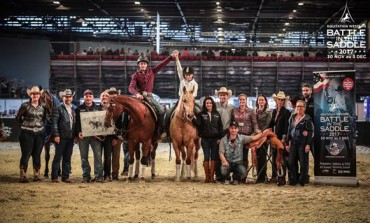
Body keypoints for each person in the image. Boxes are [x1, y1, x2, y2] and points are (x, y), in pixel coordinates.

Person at [128, 51, 177, 137]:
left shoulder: (152, 71)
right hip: (139, 96)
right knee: (127, 111)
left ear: (147, 65)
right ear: (138, 65)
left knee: (161, 111)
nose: (143, 65)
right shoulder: (135, 75)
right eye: (141, 64)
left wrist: (171, 57)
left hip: (149, 97)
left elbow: (162, 64)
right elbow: (130, 88)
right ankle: (125, 131)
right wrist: (137, 94)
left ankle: (161, 129)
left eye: (144, 63)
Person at [16, 86, 48, 183]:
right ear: (30, 95)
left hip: (40, 133)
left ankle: (36, 175)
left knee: (37, 154)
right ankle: (23, 176)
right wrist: (25, 126)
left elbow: (45, 118)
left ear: (39, 95)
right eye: (33, 94)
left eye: (37, 94)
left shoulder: (43, 106)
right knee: (26, 154)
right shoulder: (25, 105)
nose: (35, 95)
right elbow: (18, 118)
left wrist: (40, 126)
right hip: (26, 133)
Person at [163, 52, 200, 133]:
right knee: (169, 113)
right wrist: (177, 59)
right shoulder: (182, 80)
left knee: (200, 112)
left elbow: (194, 94)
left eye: (189, 75)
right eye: (186, 75)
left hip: (191, 101)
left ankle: (201, 130)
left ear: (192, 75)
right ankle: (166, 130)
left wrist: (188, 96)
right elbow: (179, 69)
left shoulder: (195, 84)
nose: (187, 76)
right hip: (181, 100)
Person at [75, 89, 104, 183]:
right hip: (83, 136)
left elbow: (101, 123)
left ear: (92, 97)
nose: (88, 98)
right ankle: (86, 176)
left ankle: (99, 176)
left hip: (95, 136)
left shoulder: (98, 108)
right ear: (84, 97)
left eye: (90, 96)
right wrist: (78, 132)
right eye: (86, 96)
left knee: (98, 156)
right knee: (84, 156)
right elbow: (76, 123)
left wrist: (102, 132)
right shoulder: (78, 108)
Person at [193, 97, 223, 183]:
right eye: (207, 103)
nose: (209, 105)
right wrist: (192, 118)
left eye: (210, 103)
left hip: (215, 139)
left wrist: (220, 138)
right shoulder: (201, 114)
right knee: (206, 157)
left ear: (212, 104)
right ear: (205, 104)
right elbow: (198, 124)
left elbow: (220, 127)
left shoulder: (217, 114)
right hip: (205, 139)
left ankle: (212, 177)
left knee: (213, 157)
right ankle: (207, 177)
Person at [231, 93, 260, 183]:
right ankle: (236, 177)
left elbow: (254, 123)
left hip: (247, 137)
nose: (242, 101)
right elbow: (232, 123)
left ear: (246, 100)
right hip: (237, 137)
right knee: (235, 157)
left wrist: (256, 132)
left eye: (243, 99)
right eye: (240, 100)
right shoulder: (234, 111)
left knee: (244, 158)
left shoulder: (251, 111)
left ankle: (243, 177)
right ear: (238, 100)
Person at [50, 89, 76, 183]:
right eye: (66, 97)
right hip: (61, 137)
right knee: (58, 157)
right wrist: (56, 135)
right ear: (63, 98)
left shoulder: (73, 109)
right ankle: (55, 177)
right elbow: (54, 123)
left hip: (70, 137)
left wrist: (75, 135)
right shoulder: (58, 108)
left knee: (67, 158)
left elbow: (74, 124)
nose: (68, 98)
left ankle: (65, 176)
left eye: (69, 96)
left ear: (72, 98)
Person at [286, 100, 314, 186]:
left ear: (304, 108)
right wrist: (287, 143)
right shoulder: (292, 117)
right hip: (293, 143)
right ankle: (293, 179)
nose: (299, 108)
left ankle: (303, 180)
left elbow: (310, 133)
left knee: (303, 163)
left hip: (303, 143)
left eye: (301, 106)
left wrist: (308, 144)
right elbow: (289, 130)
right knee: (291, 162)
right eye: (297, 106)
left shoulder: (307, 119)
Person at [269, 91, 291, 183]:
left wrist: (283, 137)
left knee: (281, 158)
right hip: (274, 137)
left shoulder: (286, 112)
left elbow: (287, 126)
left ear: (284, 101)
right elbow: (272, 123)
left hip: (281, 138)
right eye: (279, 99)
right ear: (276, 100)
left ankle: (282, 177)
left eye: (282, 100)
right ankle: (275, 176)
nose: (280, 101)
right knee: (274, 157)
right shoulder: (274, 111)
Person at [215, 86, 234, 182]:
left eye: (224, 95)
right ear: (219, 96)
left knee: (228, 155)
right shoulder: (215, 106)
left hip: (227, 133)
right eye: (221, 95)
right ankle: (218, 175)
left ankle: (226, 175)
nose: (223, 96)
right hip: (217, 133)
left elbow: (233, 121)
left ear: (227, 97)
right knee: (217, 155)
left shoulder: (231, 108)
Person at [100, 90, 118, 182]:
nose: (104, 98)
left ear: (109, 98)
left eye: (106, 96)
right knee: (98, 156)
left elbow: (116, 124)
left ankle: (107, 175)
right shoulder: (96, 108)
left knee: (108, 157)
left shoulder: (113, 109)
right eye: (103, 96)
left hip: (109, 137)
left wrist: (115, 137)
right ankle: (99, 175)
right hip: (98, 137)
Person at [255, 94, 272, 183]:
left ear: (265, 101)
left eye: (262, 100)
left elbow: (267, 124)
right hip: (256, 136)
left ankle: (262, 177)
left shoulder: (268, 112)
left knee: (262, 156)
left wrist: (261, 133)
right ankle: (259, 175)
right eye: (259, 100)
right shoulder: (255, 111)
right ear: (257, 101)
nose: (261, 101)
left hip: (264, 136)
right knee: (257, 156)